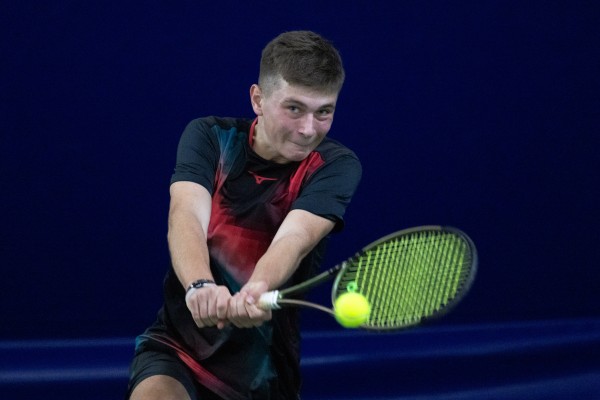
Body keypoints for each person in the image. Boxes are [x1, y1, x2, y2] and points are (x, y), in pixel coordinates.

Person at [126, 30, 362, 400]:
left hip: (263, 375)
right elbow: (186, 215)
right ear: (258, 99)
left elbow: (295, 238)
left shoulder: (335, 165)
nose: (307, 129)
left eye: (323, 112)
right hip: (178, 350)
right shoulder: (211, 137)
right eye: (294, 108)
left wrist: (258, 287)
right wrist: (200, 285)